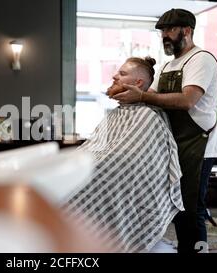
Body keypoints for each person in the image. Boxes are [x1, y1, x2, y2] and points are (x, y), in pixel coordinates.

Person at [110, 9, 217, 253]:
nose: (165, 36)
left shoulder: (201, 59)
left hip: (198, 145)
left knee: (193, 210)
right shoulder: (168, 65)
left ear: (187, 30)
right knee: (179, 208)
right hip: (174, 144)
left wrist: (144, 95)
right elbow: (154, 97)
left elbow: (187, 100)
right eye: (162, 31)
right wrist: (128, 90)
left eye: (170, 30)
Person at [64, 57, 184, 253]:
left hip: (108, 178)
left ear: (138, 83)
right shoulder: (116, 114)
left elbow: (126, 159)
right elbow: (98, 147)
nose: (114, 76)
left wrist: (88, 165)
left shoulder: (147, 117)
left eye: (122, 74)